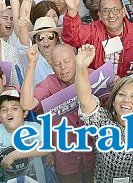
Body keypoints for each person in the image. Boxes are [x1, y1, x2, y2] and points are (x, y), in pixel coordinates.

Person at [75, 43, 133, 183]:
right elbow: (85, 99)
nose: (126, 100)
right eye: (121, 94)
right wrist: (81, 67)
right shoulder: (102, 122)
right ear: (113, 101)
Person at [20, 44, 96, 182]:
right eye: (57, 64)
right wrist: (31, 64)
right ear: (51, 66)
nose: (63, 67)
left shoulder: (91, 75)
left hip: (94, 154)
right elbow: (26, 104)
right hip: (65, 159)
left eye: (67, 61)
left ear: (76, 58)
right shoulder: (49, 84)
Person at [61, 0, 133, 78]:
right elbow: (72, 37)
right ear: (99, 15)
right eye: (105, 11)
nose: (111, 15)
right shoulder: (93, 30)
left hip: (130, 88)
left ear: (123, 12)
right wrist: (72, 10)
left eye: (115, 10)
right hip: (99, 89)